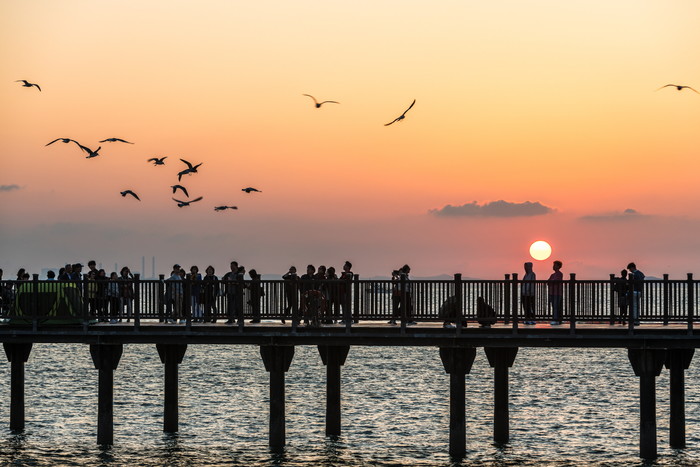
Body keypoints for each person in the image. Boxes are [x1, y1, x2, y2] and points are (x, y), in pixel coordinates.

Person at [547, 260, 564, 325]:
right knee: (554, 306)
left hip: (557, 293)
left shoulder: (560, 274)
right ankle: (555, 319)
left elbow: (556, 282)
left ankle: (556, 319)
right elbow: (548, 282)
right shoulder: (552, 275)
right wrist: (552, 281)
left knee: (556, 306)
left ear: (558, 266)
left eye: (554, 265)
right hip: (552, 292)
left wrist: (552, 281)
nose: (553, 266)